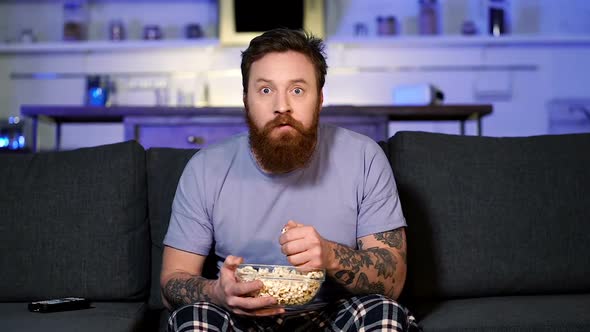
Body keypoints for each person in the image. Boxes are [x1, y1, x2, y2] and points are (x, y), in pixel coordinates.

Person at [160, 28, 421, 331]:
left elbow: (394, 282)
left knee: (385, 312)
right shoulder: (204, 168)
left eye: (297, 90)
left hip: (334, 312)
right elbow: (171, 282)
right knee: (193, 317)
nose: (282, 106)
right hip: (241, 317)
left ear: (320, 99)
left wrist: (330, 255)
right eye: (266, 90)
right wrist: (218, 292)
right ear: (246, 99)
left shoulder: (364, 157)